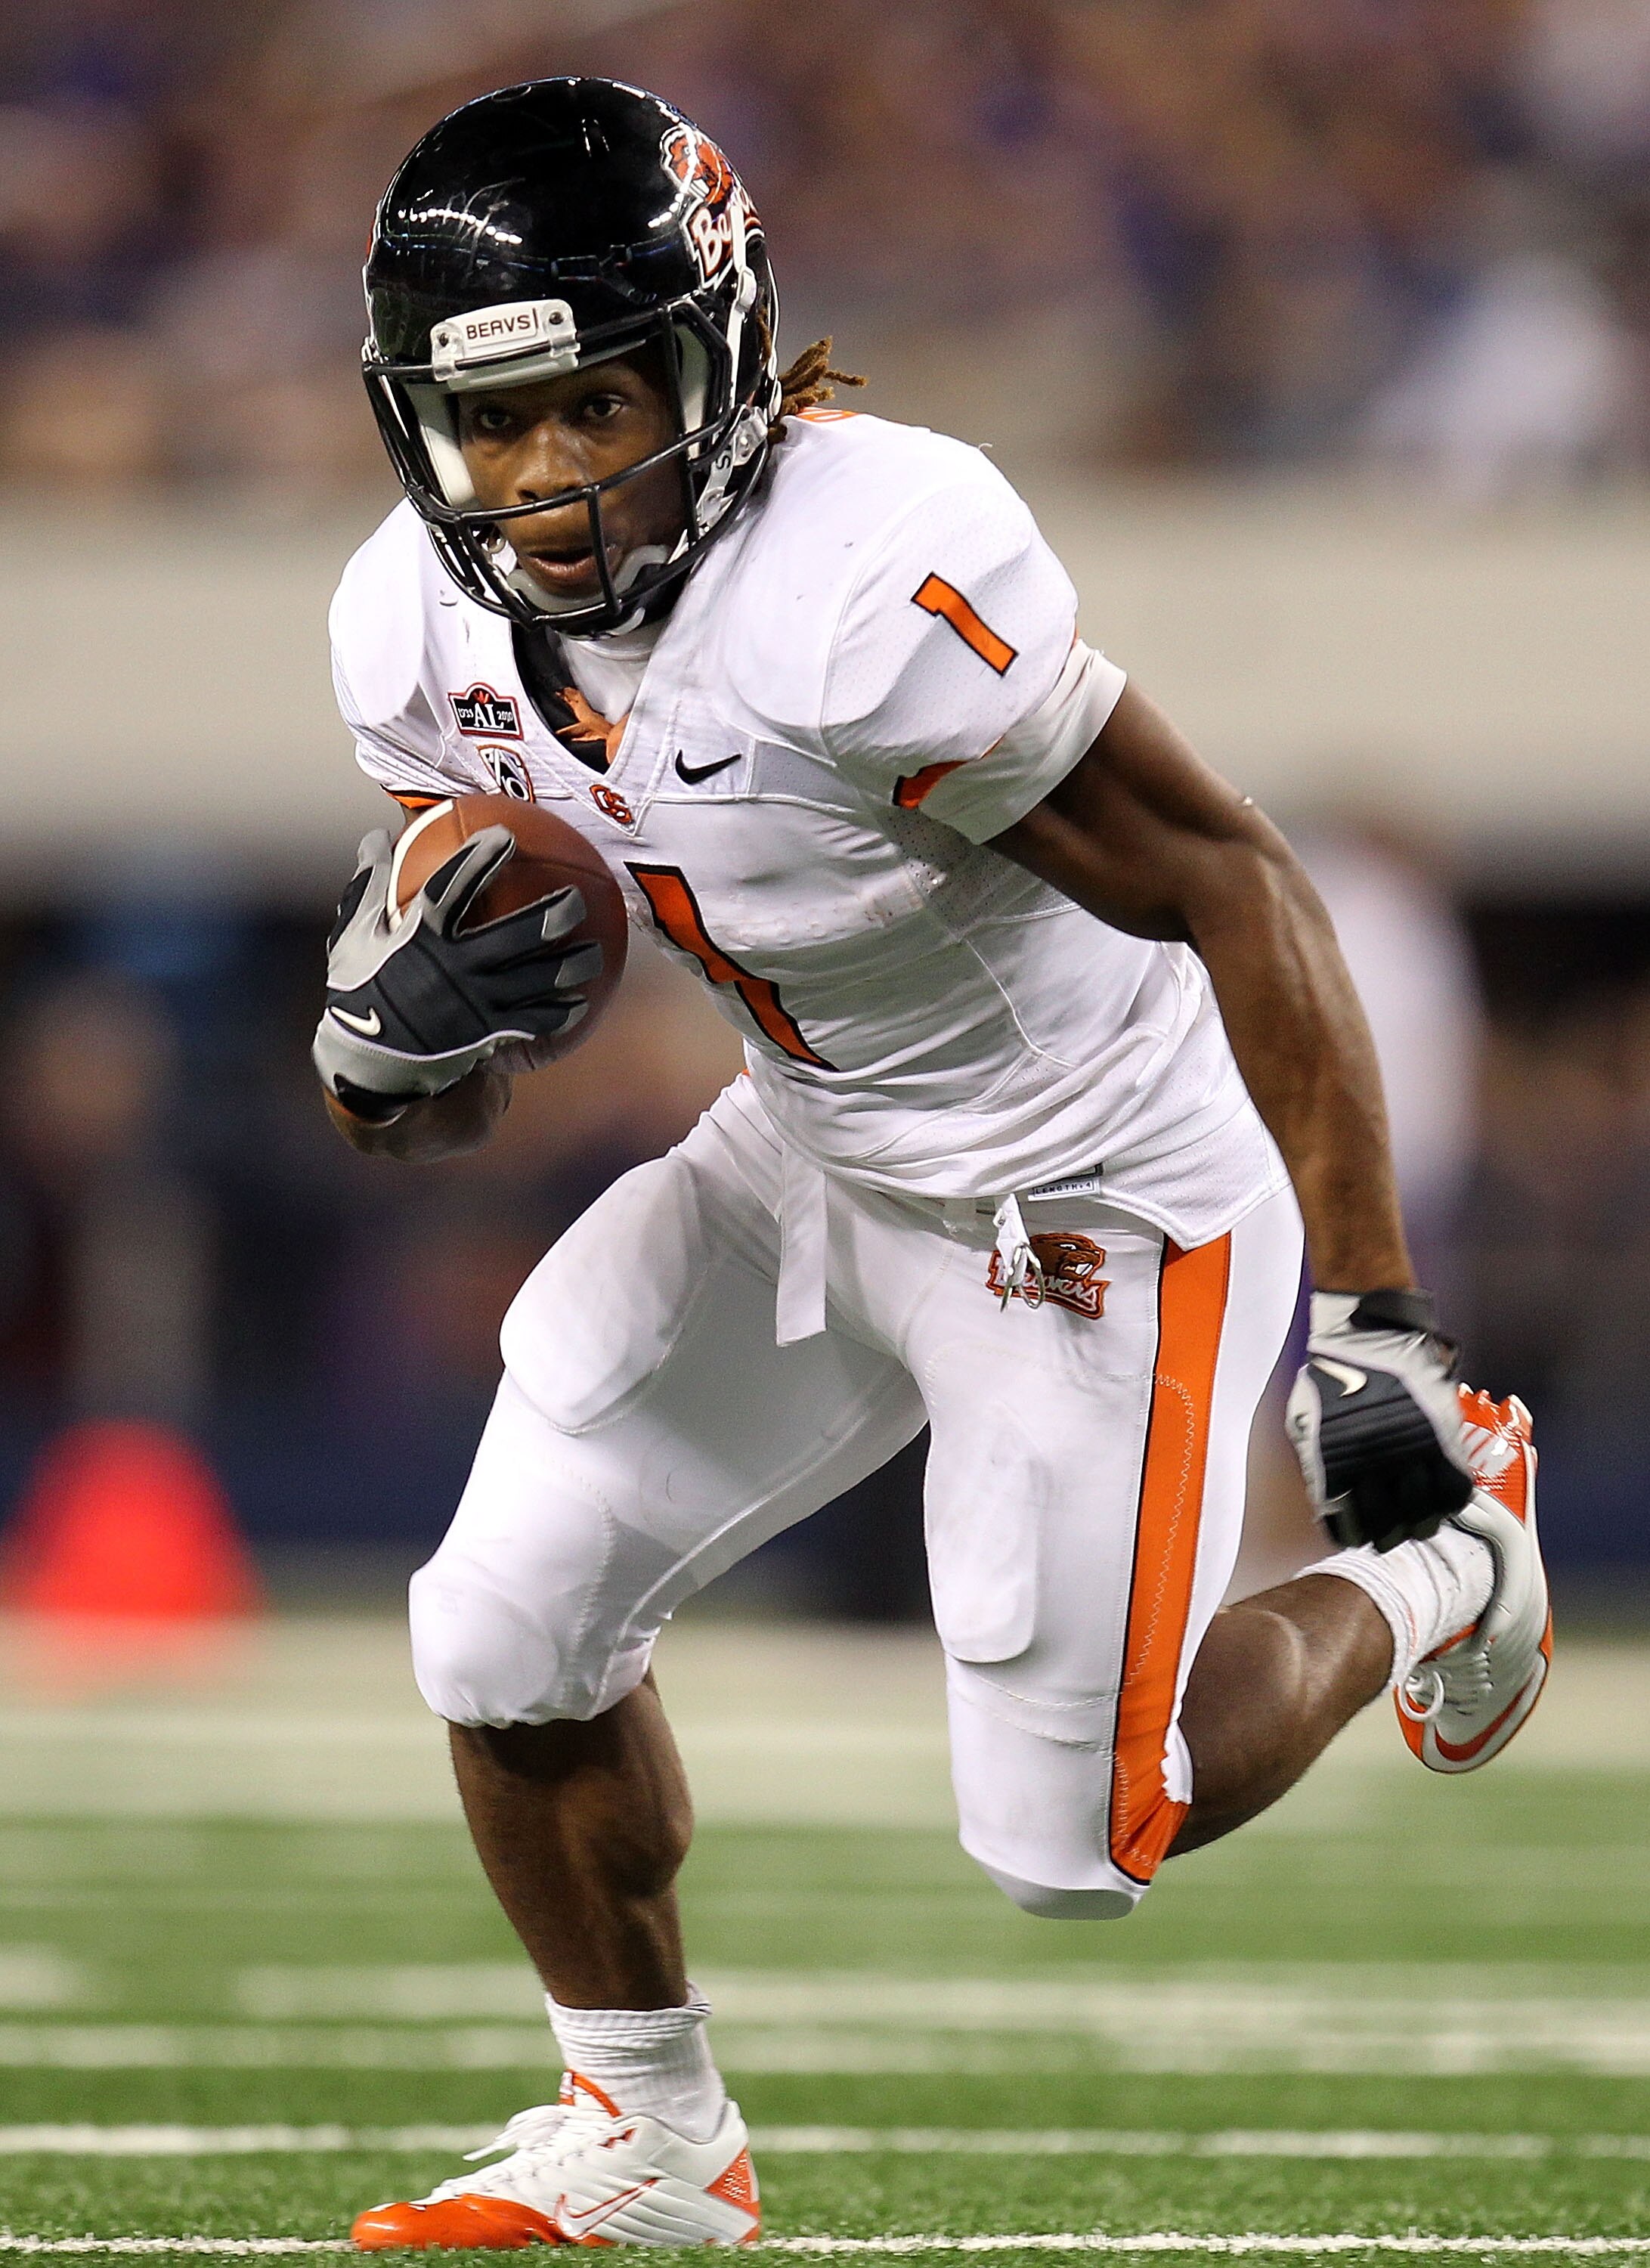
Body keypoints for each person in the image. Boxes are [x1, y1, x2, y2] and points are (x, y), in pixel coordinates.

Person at [315, 79, 1551, 2253]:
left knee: (1080, 1838)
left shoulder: (868, 570)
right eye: (491, 426)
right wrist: (389, 1042)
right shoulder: (412, 636)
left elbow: (1245, 893)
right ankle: (648, 2137)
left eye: (592, 404)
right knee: (501, 1620)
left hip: (1099, 1184)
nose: (540, 478)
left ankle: (1449, 1560)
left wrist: (1368, 1321)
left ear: (706, 365)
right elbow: (435, 1103)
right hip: (814, 1142)